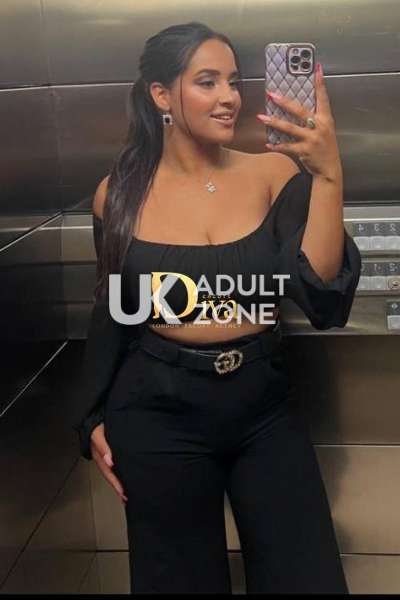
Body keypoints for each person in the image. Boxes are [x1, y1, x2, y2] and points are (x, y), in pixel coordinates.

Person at [72, 21, 361, 594]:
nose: (229, 96)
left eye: (233, 80)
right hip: (156, 411)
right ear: (161, 95)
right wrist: (91, 417)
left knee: (305, 577)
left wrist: (328, 175)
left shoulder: (271, 173)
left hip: (263, 406)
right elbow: (113, 309)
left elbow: (323, 295)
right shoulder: (117, 193)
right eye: (207, 82)